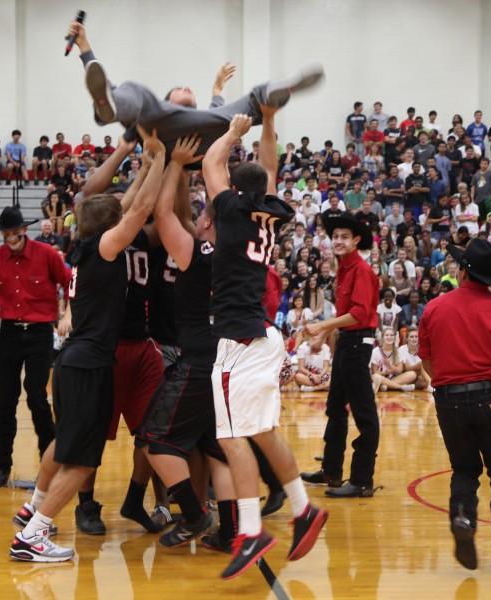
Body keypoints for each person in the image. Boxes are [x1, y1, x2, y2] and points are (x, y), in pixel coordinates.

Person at [9, 127, 165, 563]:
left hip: (75, 361)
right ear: (111, 225)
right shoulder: (107, 247)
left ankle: (32, 509)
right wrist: (160, 156)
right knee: (82, 459)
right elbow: (142, 206)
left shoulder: (86, 246)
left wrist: (148, 162)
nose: (125, 211)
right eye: (119, 213)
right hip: (89, 362)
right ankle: (34, 535)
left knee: (66, 444)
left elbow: (129, 203)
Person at [203, 112, 327, 579]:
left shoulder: (231, 209)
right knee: (261, 433)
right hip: (264, 333)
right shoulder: (268, 211)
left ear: (234, 191)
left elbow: (212, 164)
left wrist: (234, 132)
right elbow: (269, 166)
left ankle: (251, 529)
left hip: (239, 337)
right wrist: (269, 122)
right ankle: (303, 509)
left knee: (230, 436)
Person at [133, 134, 238, 550]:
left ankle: (195, 516)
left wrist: (175, 163)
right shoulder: (242, 251)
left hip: (197, 358)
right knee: (216, 447)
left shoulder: (195, 250)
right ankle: (230, 533)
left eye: (200, 216)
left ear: (208, 222)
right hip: (229, 359)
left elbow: (161, 214)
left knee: (155, 441)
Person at [418, 238, 491, 574]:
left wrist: (449, 383)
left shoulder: (434, 308)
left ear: (462, 271)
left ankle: (463, 515)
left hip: (448, 400)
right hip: (489, 400)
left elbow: (427, 360)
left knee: (464, 470)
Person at [67, 19, 323, 158]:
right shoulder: (157, 108)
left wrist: (218, 86)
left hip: (210, 135)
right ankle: (108, 106)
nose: (187, 87)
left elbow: (218, 102)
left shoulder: (205, 115)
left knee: (253, 98)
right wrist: (85, 47)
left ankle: (276, 92)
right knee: (135, 91)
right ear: (169, 100)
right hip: (161, 133)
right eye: (180, 88)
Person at [0, 206, 71, 489]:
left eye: (14, 231)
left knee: (37, 398)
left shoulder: (46, 255)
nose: (10, 236)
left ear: (24, 230)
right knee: (4, 402)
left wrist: (68, 314)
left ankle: (51, 461)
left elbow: (70, 283)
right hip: (8, 333)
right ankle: (1, 467)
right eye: (6, 233)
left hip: (40, 333)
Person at [300, 208, 379, 498]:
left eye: (345, 237)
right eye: (335, 236)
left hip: (359, 344)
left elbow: (359, 314)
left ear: (357, 240)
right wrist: (325, 334)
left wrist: (323, 324)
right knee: (335, 408)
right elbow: (346, 315)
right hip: (347, 342)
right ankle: (332, 471)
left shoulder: (362, 271)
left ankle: (362, 480)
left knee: (364, 414)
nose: (338, 241)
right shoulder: (344, 269)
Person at [370, 327, 417, 392]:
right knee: (376, 377)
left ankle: (386, 385)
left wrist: (390, 367)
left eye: (392, 335)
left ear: (395, 337)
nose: (389, 337)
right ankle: (400, 387)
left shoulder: (398, 351)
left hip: (394, 378)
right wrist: (385, 372)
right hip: (380, 377)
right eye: (387, 335)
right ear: (382, 337)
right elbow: (375, 373)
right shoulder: (376, 351)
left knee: (412, 374)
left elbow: (400, 370)